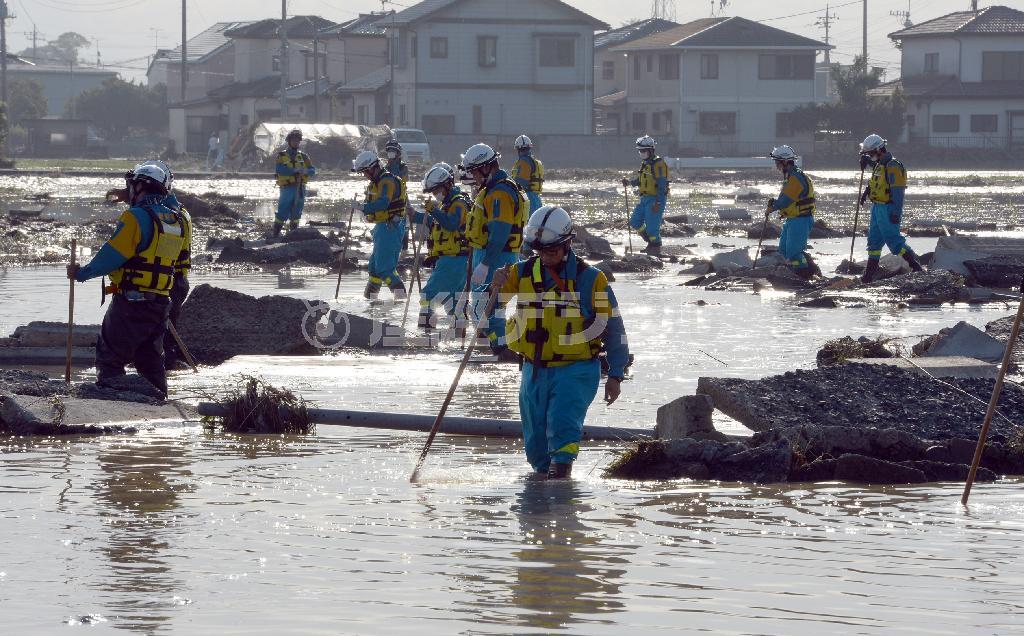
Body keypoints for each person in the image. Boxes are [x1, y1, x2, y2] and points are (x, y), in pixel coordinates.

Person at [490, 205, 630, 479]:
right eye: (540, 251)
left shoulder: (591, 280)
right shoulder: (519, 274)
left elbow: (615, 329)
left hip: (575, 370)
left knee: (563, 430)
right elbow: (480, 312)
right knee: (536, 447)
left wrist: (616, 374)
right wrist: (491, 287)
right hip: (533, 369)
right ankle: (543, 502)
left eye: (552, 250)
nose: (546, 256)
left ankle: (562, 496)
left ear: (567, 244)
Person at [67, 162, 190, 399]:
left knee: (109, 358)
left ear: (141, 186)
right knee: (151, 360)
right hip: (161, 303)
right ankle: (156, 400)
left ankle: (108, 401)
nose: (129, 190)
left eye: (132, 185)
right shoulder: (177, 220)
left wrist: (81, 273)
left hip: (131, 303)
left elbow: (111, 257)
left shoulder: (135, 218)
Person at [462, 143, 528, 362]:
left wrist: (486, 263)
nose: (473, 176)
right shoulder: (493, 189)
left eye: (474, 171)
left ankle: (503, 352)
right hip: (492, 254)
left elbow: (500, 232)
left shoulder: (499, 193)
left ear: (485, 168)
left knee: (488, 306)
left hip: (497, 256)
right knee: (487, 307)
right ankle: (494, 347)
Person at [410, 163, 470, 330]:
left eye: (437, 190)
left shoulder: (458, 204)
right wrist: (415, 215)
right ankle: (460, 340)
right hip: (454, 261)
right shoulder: (448, 205)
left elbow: (451, 224)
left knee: (428, 296)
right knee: (453, 304)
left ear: (448, 185)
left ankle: (425, 337)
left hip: (454, 261)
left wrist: (434, 211)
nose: (435, 195)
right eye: (433, 192)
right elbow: (436, 223)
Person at [858, 134, 923, 283]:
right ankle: (868, 277)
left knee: (894, 241)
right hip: (877, 207)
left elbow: (898, 192)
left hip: (888, 208)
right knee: (874, 242)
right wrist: (866, 192)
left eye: (870, 153)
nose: (869, 155)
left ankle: (916, 266)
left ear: (879, 150)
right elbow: (877, 182)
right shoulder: (880, 165)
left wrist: (895, 212)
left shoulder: (894, 166)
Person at [352, 149, 408, 300]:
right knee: (375, 269)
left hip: (390, 227)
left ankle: (401, 301)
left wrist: (363, 207)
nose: (364, 175)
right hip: (382, 227)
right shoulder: (377, 182)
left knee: (385, 269)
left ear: (372, 168)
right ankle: (370, 300)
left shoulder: (387, 181)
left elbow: (383, 203)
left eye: (364, 172)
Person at [766, 145, 816, 280]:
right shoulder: (791, 176)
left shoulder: (796, 178)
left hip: (800, 219)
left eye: (778, 162)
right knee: (783, 250)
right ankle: (799, 273)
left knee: (794, 254)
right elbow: (785, 198)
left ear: (785, 161)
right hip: (793, 219)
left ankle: (804, 276)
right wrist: (775, 203)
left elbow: (785, 201)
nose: (776, 165)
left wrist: (773, 207)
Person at [623, 135, 669, 256]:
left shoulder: (659, 164)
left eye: (643, 150)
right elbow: (640, 180)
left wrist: (658, 202)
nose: (641, 153)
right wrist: (629, 183)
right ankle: (650, 243)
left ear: (651, 150)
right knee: (635, 222)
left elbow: (661, 184)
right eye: (640, 151)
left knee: (652, 229)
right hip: (644, 199)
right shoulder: (645, 163)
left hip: (655, 199)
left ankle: (655, 248)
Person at [274, 128, 316, 237]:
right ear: (289, 141)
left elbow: (312, 170)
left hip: (300, 188)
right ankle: (275, 234)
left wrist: (305, 171)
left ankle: (293, 235)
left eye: (297, 141)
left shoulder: (304, 156)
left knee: (297, 212)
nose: (295, 142)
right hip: (287, 188)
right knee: (283, 210)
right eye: (293, 140)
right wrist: (294, 171)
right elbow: (279, 169)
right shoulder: (282, 156)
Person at [511, 135, 545, 213]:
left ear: (518, 149)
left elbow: (521, 182)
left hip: (528, 198)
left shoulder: (524, 162)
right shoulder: (535, 162)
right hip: (536, 199)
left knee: (526, 224)